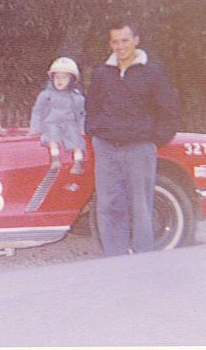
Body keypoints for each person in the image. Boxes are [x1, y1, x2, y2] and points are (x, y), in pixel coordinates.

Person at [85, 21, 179, 257]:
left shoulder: (153, 71)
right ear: (110, 44)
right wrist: (96, 132)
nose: (120, 46)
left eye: (125, 40)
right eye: (115, 41)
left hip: (139, 148)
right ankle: (115, 261)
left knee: (141, 207)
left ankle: (143, 263)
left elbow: (170, 110)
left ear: (136, 40)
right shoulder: (102, 73)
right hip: (106, 148)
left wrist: (152, 140)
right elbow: (92, 107)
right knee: (108, 206)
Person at [30, 57, 86, 174]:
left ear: (72, 80)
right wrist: (35, 128)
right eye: (57, 77)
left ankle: (78, 162)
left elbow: (81, 114)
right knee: (52, 136)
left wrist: (81, 128)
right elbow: (37, 111)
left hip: (69, 124)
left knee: (76, 139)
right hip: (52, 123)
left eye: (64, 77)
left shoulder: (77, 97)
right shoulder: (46, 95)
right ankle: (55, 159)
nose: (59, 81)